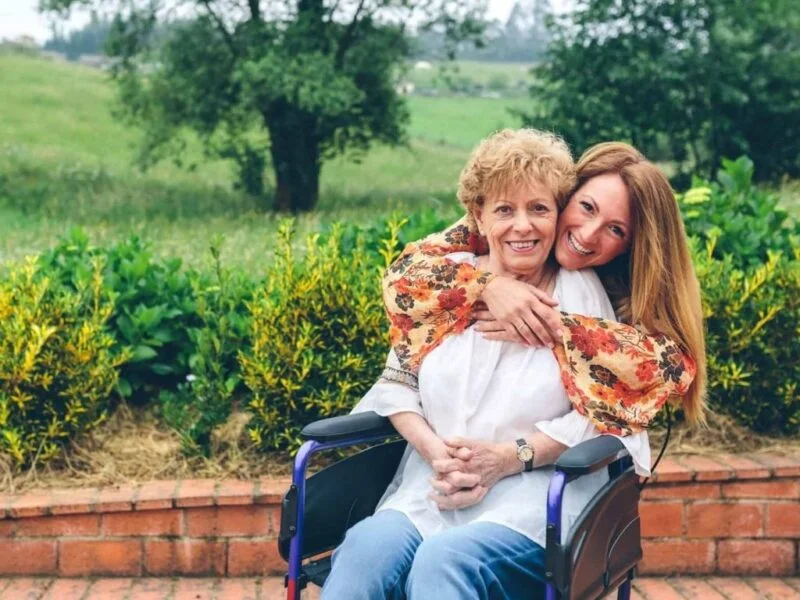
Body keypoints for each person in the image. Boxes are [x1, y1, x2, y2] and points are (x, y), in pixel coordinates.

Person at [321, 129, 657, 600]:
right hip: (430, 488)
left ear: (556, 213)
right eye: (505, 209)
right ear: (478, 216)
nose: (523, 226)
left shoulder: (578, 298)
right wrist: (436, 453)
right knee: (364, 551)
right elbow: (396, 384)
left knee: (446, 561)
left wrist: (507, 458)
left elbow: (602, 417)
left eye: (538, 208)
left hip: (531, 502)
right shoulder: (446, 283)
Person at [382, 141, 706, 432]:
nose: (588, 234)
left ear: (632, 246)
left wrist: (560, 328)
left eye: (616, 230)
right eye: (587, 207)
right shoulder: (488, 229)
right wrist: (487, 286)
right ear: (565, 198)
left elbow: (673, 367)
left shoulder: (612, 284)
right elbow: (403, 275)